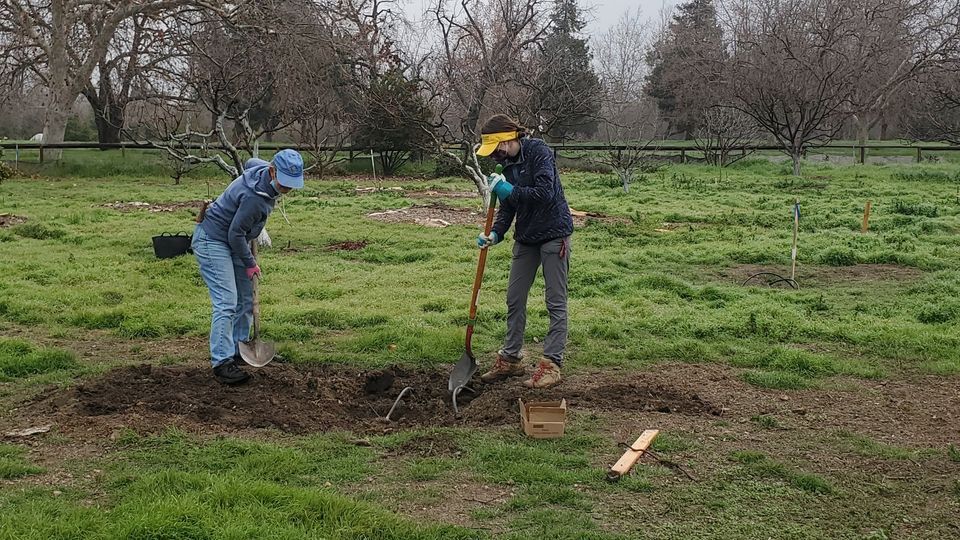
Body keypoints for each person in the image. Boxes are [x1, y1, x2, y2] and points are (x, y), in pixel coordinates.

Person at [474, 115, 573, 389]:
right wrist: (496, 233)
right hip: (527, 237)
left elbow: (544, 193)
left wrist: (508, 188)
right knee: (514, 298)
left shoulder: (538, 152)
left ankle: (551, 364)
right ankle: (511, 359)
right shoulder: (506, 164)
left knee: (555, 301)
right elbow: (508, 206)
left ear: (508, 138)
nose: (494, 154)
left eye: (496, 147)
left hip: (554, 234)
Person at [191, 149, 305, 384]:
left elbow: (250, 161)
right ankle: (222, 362)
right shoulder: (254, 199)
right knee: (227, 301)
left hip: (235, 240)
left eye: (292, 184)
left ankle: (239, 349)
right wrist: (250, 263)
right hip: (213, 239)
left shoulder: (260, 168)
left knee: (245, 298)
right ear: (273, 171)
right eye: (284, 184)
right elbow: (235, 234)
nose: (287, 189)